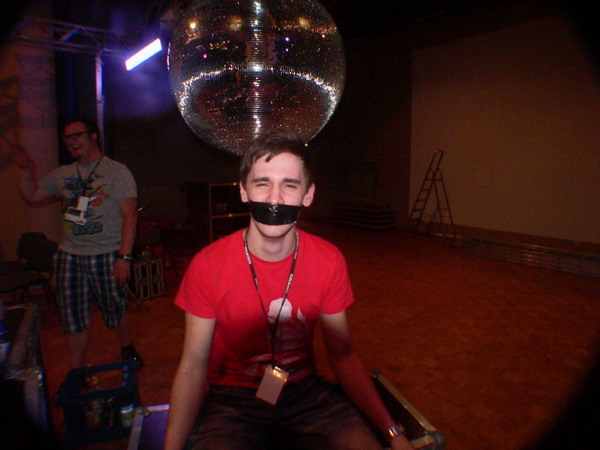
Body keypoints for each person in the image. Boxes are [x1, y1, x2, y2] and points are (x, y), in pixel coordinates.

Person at [165, 131, 414, 450]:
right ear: (243, 191)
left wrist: (393, 433)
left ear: (308, 195)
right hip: (232, 400)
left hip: (304, 391)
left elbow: (342, 354)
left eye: (290, 185)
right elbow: (193, 366)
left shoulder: (328, 260)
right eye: (262, 183)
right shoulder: (208, 265)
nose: (275, 198)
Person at [13, 118, 143, 373]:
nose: (71, 141)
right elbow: (32, 196)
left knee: (115, 310)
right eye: (67, 138)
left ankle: (126, 346)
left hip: (106, 253)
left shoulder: (117, 171)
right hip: (69, 256)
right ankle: (76, 372)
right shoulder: (62, 174)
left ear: (93, 136)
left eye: (77, 135)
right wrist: (26, 169)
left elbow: (130, 216)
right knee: (73, 317)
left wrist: (124, 258)